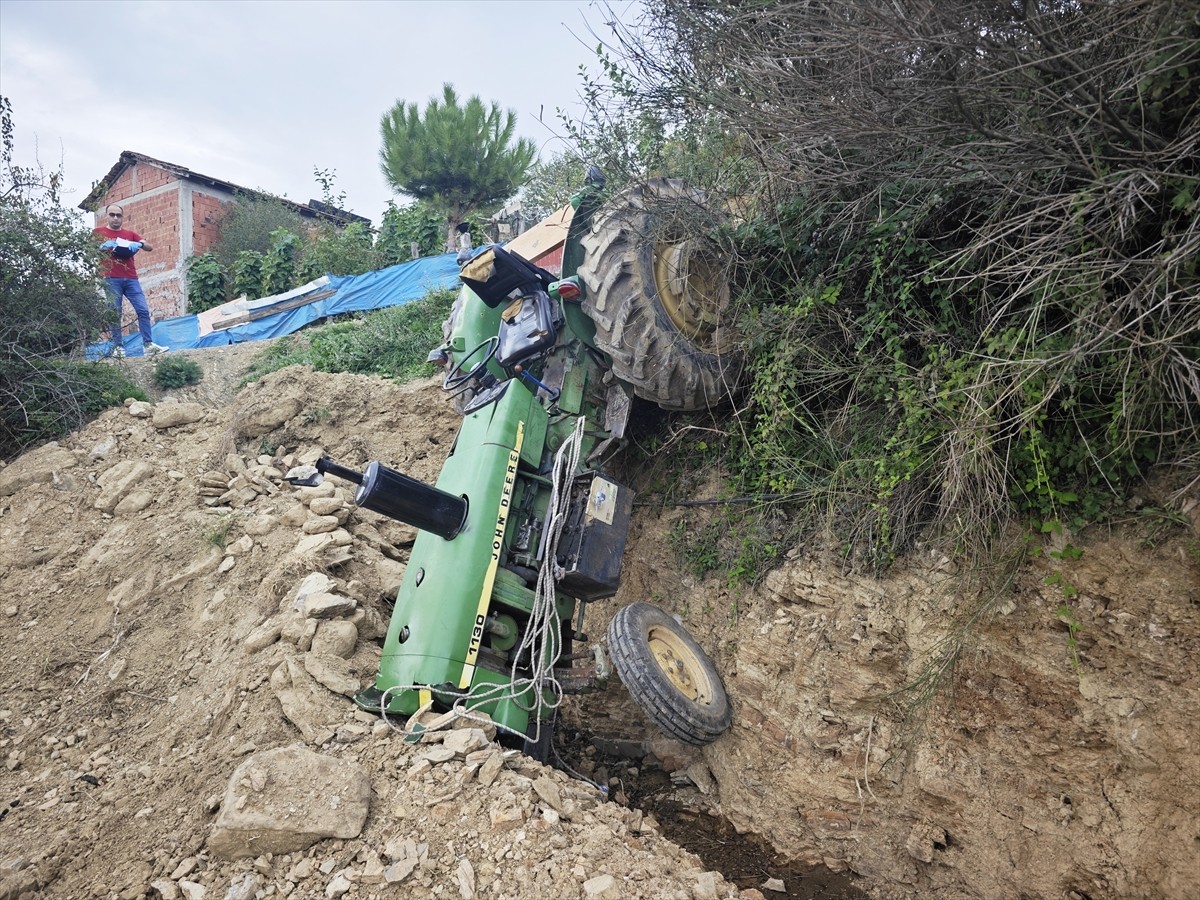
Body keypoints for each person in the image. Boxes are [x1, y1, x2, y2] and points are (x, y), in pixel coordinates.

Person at [94, 204, 168, 358]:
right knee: (115, 313)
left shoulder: (129, 234)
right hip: (111, 278)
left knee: (142, 310)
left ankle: (148, 345)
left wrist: (139, 244)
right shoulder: (98, 233)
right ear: (107, 216)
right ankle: (118, 347)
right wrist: (101, 247)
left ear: (123, 217)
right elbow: (88, 249)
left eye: (118, 215)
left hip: (131, 278)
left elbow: (149, 246)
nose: (115, 218)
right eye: (112, 215)